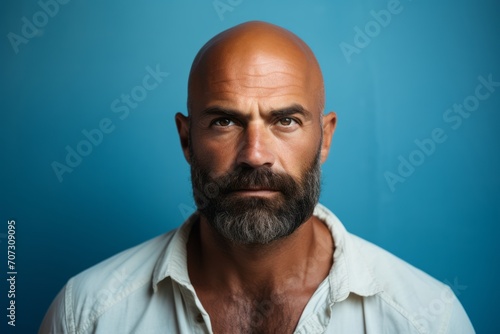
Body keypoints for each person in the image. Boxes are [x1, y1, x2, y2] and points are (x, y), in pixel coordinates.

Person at [39, 21, 475, 334]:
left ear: (325, 138)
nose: (255, 155)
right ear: (187, 139)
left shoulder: (426, 318)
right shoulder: (87, 315)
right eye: (225, 122)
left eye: (285, 120)